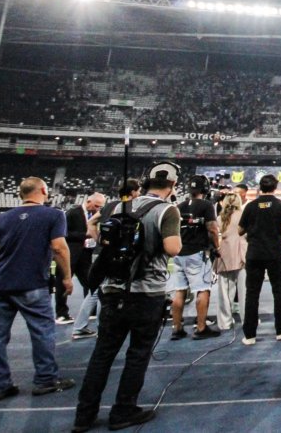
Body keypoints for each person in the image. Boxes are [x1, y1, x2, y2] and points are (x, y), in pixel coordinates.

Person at [73, 163, 182, 432]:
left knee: (103, 353)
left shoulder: (113, 206)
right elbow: (173, 248)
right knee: (138, 353)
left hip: (111, 290)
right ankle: (123, 410)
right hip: (146, 292)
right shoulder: (167, 210)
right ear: (171, 186)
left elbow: (92, 230)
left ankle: (83, 415)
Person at [0, 177, 76, 402]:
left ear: (20, 193)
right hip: (32, 282)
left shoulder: (3, 217)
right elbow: (59, 248)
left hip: (2, 283)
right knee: (42, 331)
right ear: (44, 190)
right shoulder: (54, 215)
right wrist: (66, 277)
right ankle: (45, 379)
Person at [238, 174, 281, 345]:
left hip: (254, 254)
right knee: (279, 291)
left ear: (259, 187)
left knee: (252, 293)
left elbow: (240, 231)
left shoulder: (251, 206)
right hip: (274, 254)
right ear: (275, 187)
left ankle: (249, 334)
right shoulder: (280, 205)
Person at [169, 175, 221, 340]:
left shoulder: (179, 205)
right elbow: (212, 229)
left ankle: (177, 328)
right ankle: (201, 327)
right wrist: (217, 247)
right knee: (202, 289)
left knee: (179, 291)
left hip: (179, 252)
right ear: (205, 189)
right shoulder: (206, 205)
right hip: (197, 252)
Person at [69, 192, 107, 340]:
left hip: (97, 252)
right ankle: (101, 328)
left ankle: (81, 327)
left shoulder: (108, 208)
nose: (98, 209)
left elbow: (91, 223)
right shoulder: (117, 207)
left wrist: (98, 240)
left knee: (95, 291)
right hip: (106, 253)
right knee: (102, 291)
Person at [214, 191, 248, 330]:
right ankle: (248, 320)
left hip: (225, 255)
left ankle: (225, 323)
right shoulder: (243, 215)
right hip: (242, 255)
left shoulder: (219, 218)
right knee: (246, 291)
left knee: (225, 292)